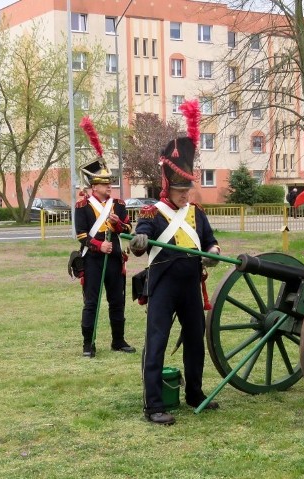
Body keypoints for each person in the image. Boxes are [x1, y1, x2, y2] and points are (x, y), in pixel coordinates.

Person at [129, 135, 221, 426]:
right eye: (180, 190)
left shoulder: (197, 214)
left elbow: (211, 242)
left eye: (188, 189)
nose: (185, 195)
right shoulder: (152, 212)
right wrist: (138, 241)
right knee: (156, 343)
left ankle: (195, 393)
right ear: (168, 187)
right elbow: (139, 239)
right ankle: (153, 405)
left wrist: (213, 254)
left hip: (191, 286)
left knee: (195, 341)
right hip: (163, 286)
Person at [75, 159, 135, 358]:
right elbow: (81, 235)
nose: (109, 185)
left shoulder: (118, 205)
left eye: (110, 182)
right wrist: (100, 245)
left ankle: (118, 340)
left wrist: (118, 224)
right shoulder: (82, 206)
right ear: (94, 186)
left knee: (117, 301)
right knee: (91, 302)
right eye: (104, 183)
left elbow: (128, 228)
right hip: (93, 259)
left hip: (115, 259)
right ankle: (88, 343)